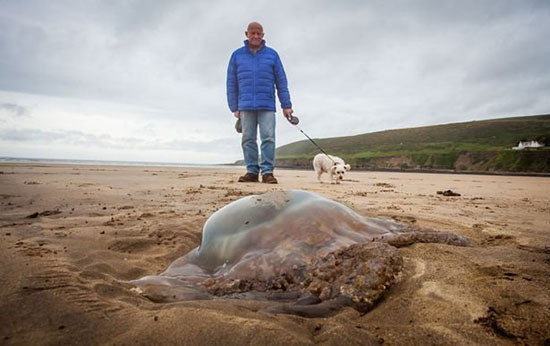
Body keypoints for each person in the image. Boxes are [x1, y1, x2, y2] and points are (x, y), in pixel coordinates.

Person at [227, 21, 293, 184]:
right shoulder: (237, 55)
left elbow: (281, 81)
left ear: (263, 35)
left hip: (267, 105)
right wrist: (234, 106)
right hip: (245, 105)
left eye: (259, 33)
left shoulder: (272, 55)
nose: (256, 36)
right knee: (248, 139)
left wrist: (286, 105)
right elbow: (231, 82)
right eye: (252, 33)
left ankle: (267, 172)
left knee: (268, 138)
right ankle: (251, 171)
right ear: (246, 34)